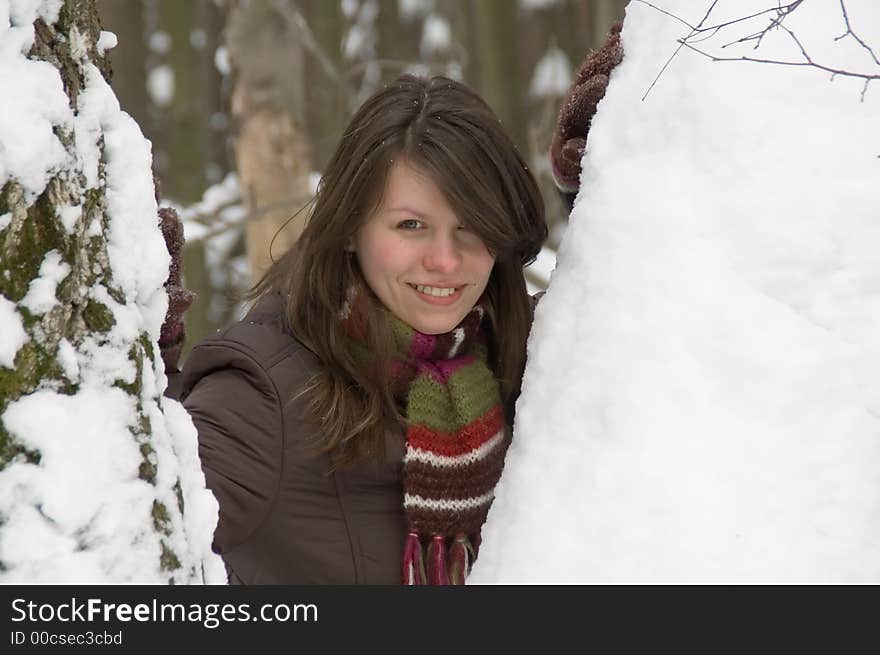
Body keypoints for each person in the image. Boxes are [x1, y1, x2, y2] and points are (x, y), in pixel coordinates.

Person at [160, 26, 624, 586]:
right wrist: (141, 360)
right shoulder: (263, 396)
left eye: (472, 228)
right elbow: (130, 533)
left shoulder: (523, 355)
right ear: (352, 227)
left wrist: (612, 181)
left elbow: (656, 318)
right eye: (411, 225)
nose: (446, 262)